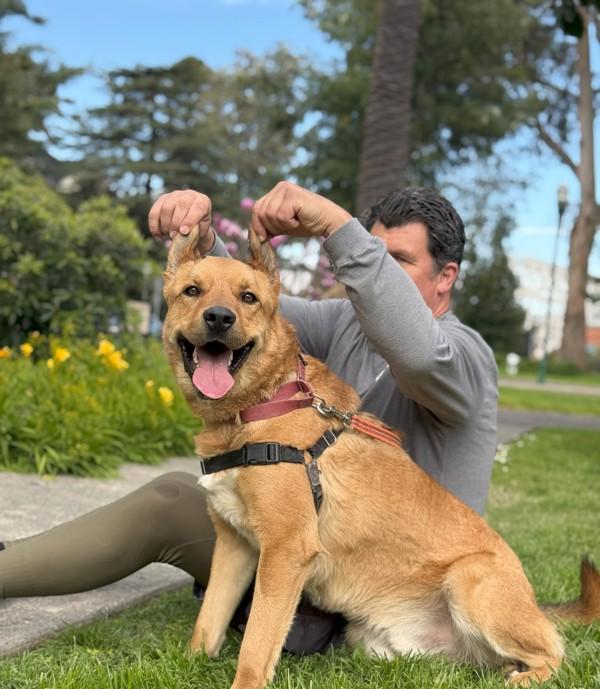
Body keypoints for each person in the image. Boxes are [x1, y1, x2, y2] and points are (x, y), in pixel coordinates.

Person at [0, 183, 498, 655]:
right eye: (375, 256)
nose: (380, 274)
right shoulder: (346, 321)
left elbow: (418, 354)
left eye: (399, 262)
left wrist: (337, 226)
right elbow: (243, 307)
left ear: (445, 277)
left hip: (393, 585)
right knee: (172, 499)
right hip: (315, 552)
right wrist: (200, 239)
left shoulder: (465, 356)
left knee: (203, 507)